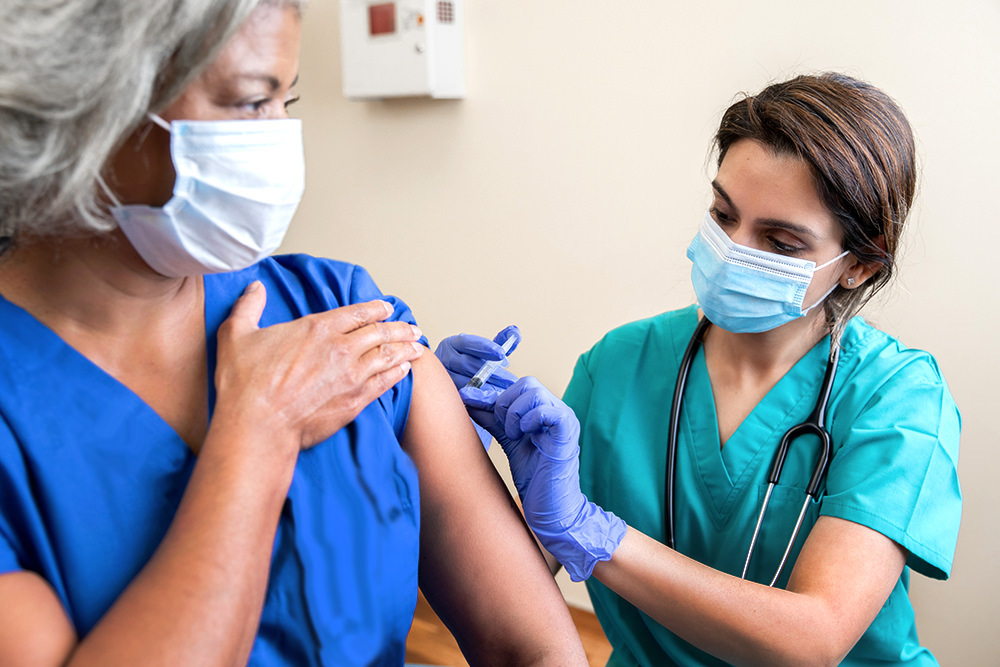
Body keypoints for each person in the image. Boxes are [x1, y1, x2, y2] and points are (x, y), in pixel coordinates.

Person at [0, 1, 590, 665]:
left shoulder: (334, 308)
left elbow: (535, 648)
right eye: (252, 103)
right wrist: (256, 437)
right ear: (87, 101)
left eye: (290, 98)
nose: (280, 139)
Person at [437, 73, 961, 666]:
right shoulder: (619, 365)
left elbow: (813, 640)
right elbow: (509, 592)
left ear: (858, 267)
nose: (734, 248)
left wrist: (592, 531)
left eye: (781, 243)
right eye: (723, 212)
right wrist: (446, 440)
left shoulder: (899, 399)